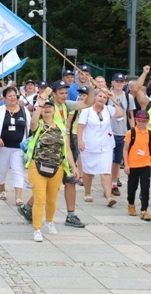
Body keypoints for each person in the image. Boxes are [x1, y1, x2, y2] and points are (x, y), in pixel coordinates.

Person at [18, 79, 95, 228]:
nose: (64, 95)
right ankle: (29, 209)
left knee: (68, 181)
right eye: (61, 93)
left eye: (66, 92)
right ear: (53, 94)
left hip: (63, 147)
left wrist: (91, 89)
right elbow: (34, 123)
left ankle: (69, 214)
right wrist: (41, 100)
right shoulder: (46, 106)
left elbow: (87, 103)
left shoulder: (67, 105)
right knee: (45, 186)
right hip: (46, 153)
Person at [25, 98, 79, 242]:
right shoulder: (39, 124)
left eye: (50, 107)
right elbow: (32, 122)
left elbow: (67, 149)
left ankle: (49, 221)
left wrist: (74, 167)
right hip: (37, 165)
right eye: (45, 107)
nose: (47, 109)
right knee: (39, 199)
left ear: (55, 110)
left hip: (57, 166)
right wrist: (40, 105)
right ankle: (37, 229)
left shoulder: (61, 127)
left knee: (52, 199)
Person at [77, 90, 124, 206]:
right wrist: (80, 141)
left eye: (104, 97)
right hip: (89, 145)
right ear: (95, 97)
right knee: (88, 171)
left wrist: (114, 100)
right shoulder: (86, 110)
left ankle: (109, 197)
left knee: (106, 171)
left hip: (106, 145)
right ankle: (87, 193)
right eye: (100, 96)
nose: (102, 98)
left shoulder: (108, 109)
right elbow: (80, 127)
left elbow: (120, 114)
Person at [0, 86, 31, 205]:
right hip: (3, 147)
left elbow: (30, 126)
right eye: (10, 95)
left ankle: (18, 196)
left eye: (14, 95)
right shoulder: (0, 110)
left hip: (18, 148)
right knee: (2, 169)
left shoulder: (24, 110)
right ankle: (2, 188)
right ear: (5, 98)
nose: (13, 98)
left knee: (18, 170)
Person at [108, 72, 135, 197]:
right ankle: (106, 182)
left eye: (121, 81)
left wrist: (133, 131)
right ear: (112, 82)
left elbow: (130, 115)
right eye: (117, 81)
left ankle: (113, 182)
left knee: (117, 160)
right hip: (108, 132)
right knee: (107, 159)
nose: (119, 84)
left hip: (122, 132)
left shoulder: (128, 97)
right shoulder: (107, 95)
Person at [123, 110, 151, 220]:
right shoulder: (131, 132)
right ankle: (131, 204)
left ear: (147, 122)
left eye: (143, 121)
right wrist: (126, 164)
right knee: (132, 187)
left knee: (145, 187)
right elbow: (125, 149)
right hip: (133, 164)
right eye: (139, 121)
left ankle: (144, 209)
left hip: (146, 163)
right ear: (135, 120)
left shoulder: (149, 133)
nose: (141, 123)